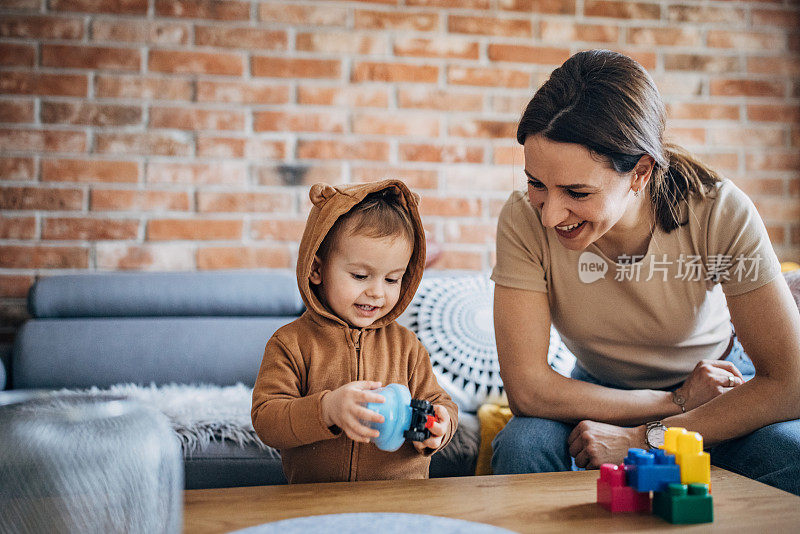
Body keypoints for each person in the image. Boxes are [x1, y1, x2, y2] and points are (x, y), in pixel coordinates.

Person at [490, 49, 800, 495]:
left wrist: (646, 437)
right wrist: (672, 403)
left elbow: (788, 382)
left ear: (640, 172)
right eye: (536, 183)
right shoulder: (522, 219)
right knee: (522, 446)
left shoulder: (719, 212)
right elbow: (528, 390)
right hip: (598, 391)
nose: (550, 216)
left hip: (713, 385)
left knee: (792, 454)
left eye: (577, 192)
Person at [251, 179, 457, 484]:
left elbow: (440, 401)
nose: (377, 292)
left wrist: (440, 425)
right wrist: (327, 410)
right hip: (316, 499)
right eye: (360, 275)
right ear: (316, 269)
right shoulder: (291, 343)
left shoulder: (406, 346)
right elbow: (267, 418)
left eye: (392, 279)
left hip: (402, 499)